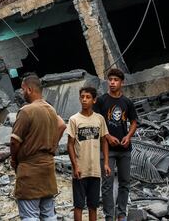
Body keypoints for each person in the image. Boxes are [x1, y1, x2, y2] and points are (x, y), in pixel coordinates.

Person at [10, 74, 67, 221]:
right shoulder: (50, 109)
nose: (22, 93)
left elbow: (14, 142)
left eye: (23, 89)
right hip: (47, 168)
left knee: (30, 216)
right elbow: (61, 125)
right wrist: (52, 145)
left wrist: (14, 160)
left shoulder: (26, 111)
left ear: (29, 89)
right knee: (48, 214)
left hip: (30, 170)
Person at [94, 68, 138, 221]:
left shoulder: (127, 102)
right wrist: (107, 136)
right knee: (107, 184)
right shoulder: (101, 101)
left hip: (124, 149)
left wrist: (128, 136)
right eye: (110, 79)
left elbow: (134, 122)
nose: (112, 82)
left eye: (116, 80)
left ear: (122, 83)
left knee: (125, 182)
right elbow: (96, 122)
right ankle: (108, 216)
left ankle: (121, 215)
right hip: (107, 150)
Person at [67, 87, 110, 221]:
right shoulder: (74, 119)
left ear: (94, 100)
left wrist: (106, 163)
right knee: (79, 205)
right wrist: (75, 166)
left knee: (93, 206)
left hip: (95, 170)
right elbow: (70, 144)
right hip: (80, 170)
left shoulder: (99, 119)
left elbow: (104, 141)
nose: (84, 100)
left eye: (88, 97)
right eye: (82, 97)